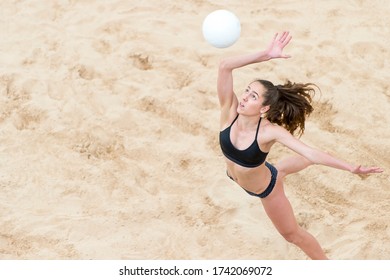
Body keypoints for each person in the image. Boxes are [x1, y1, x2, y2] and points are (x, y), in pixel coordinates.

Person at [217, 31, 384, 260]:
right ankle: (283, 170)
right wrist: (265, 54)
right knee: (279, 168)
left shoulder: (268, 132)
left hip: (266, 189)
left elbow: (311, 153)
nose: (244, 97)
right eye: (247, 90)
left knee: (292, 234)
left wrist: (351, 168)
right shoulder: (229, 111)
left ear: (264, 109)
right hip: (242, 175)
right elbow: (225, 66)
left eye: (253, 96)